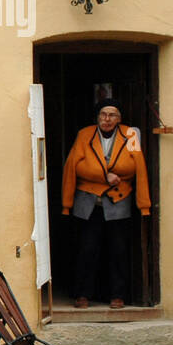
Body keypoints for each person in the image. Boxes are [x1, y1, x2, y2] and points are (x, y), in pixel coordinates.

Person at [60, 98, 150, 309]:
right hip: (88, 202)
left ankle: (117, 295)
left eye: (112, 115)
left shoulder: (131, 135)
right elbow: (74, 167)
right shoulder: (84, 134)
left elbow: (138, 167)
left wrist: (143, 204)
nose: (107, 119)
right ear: (97, 117)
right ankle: (82, 294)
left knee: (118, 250)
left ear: (119, 119)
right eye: (103, 114)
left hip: (119, 199)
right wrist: (105, 176)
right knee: (87, 249)